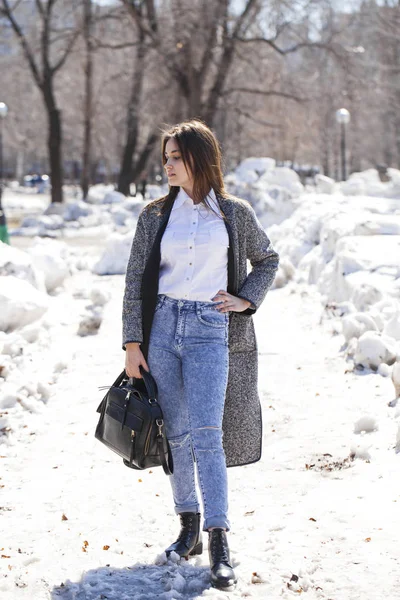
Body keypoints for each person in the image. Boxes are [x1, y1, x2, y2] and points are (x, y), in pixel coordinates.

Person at [122, 119, 279, 590]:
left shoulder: (233, 212)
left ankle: (219, 540)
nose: (167, 165)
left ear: (198, 158)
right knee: (178, 435)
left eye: (175, 157)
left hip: (212, 329)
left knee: (208, 433)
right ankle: (187, 526)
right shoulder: (153, 215)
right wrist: (133, 343)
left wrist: (246, 299)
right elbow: (135, 283)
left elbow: (267, 259)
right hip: (163, 328)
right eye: (165, 157)